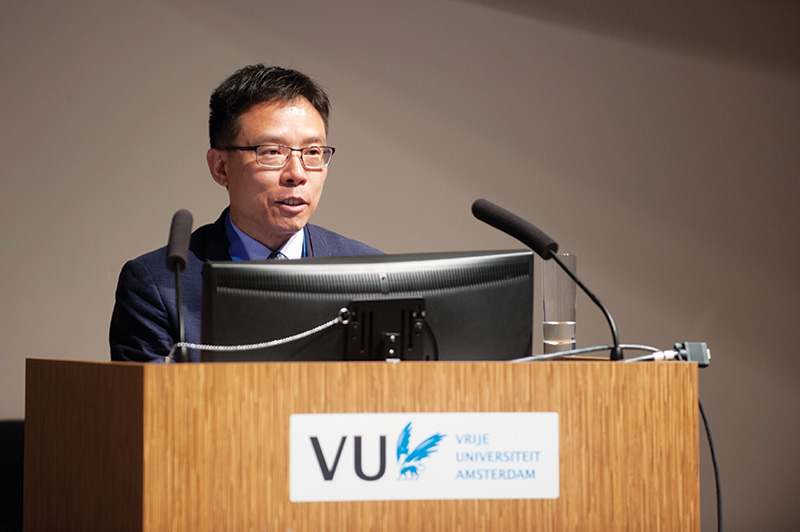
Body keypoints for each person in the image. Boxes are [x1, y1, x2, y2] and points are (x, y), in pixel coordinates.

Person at [110, 65, 381, 362]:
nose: (297, 174)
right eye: (272, 152)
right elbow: (150, 392)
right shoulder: (158, 286)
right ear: (220, 167)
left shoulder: (371, 277)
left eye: (313, 152)